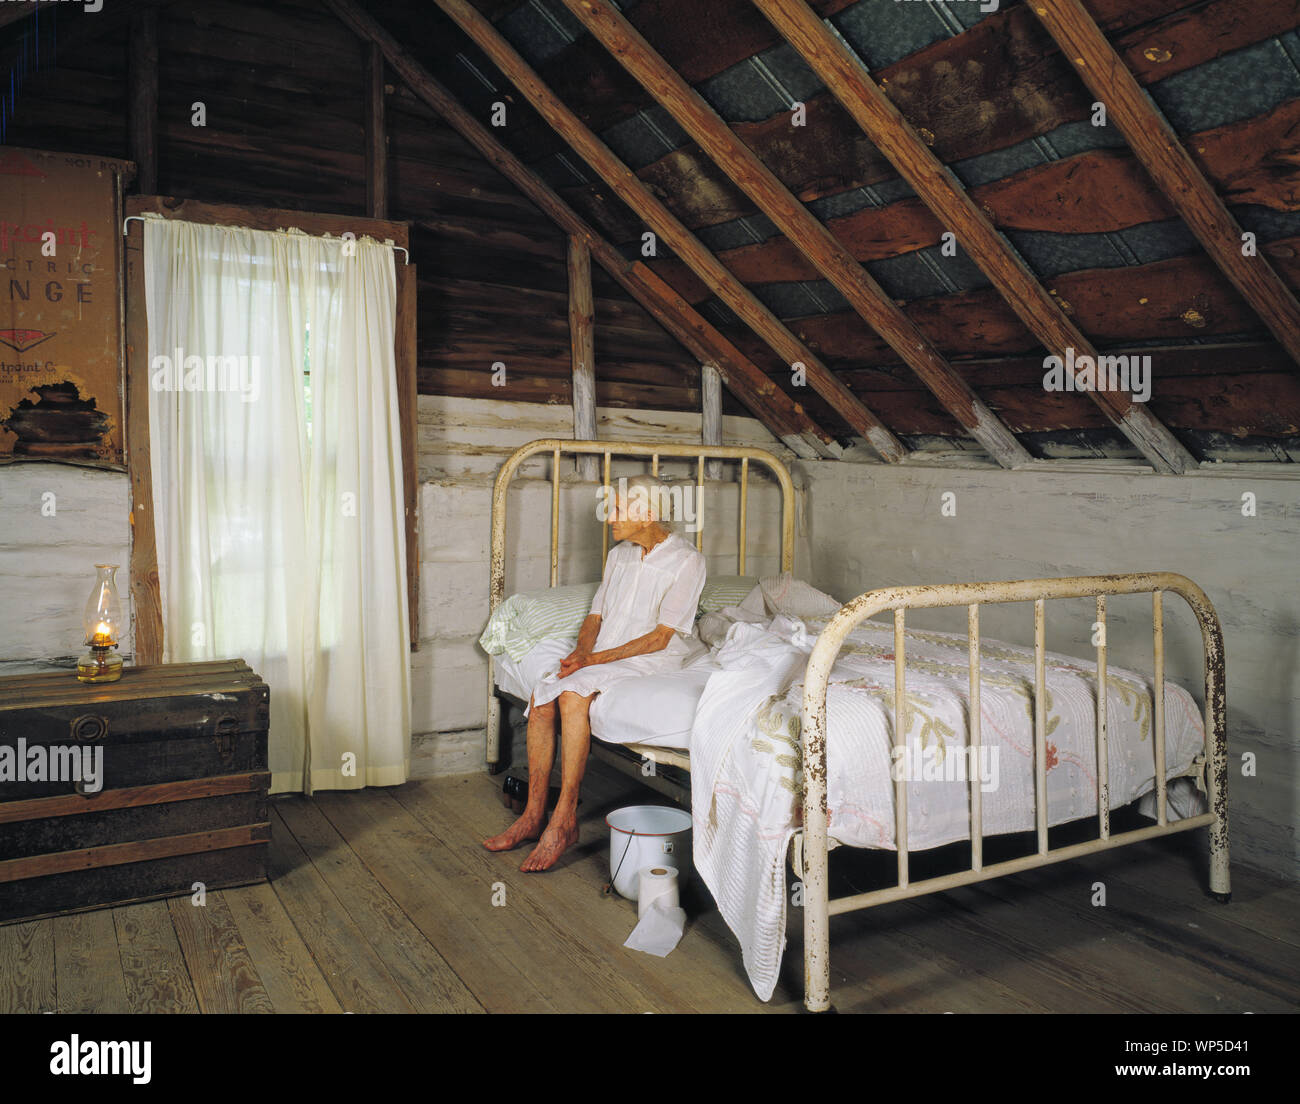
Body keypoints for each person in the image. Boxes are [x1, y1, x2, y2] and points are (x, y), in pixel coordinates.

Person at [484, 474, 706, 871]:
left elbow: (660, 639)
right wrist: (582, 650)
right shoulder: (619, 554)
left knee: (571, 695)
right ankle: (534, 815)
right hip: (606, 652)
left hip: (654, 657)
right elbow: (595, 614)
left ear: (649, 513)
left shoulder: (687, 560)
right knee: (543, 695)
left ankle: (563, 820)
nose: (611, 518)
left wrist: (592, 663)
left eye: (619, 509)